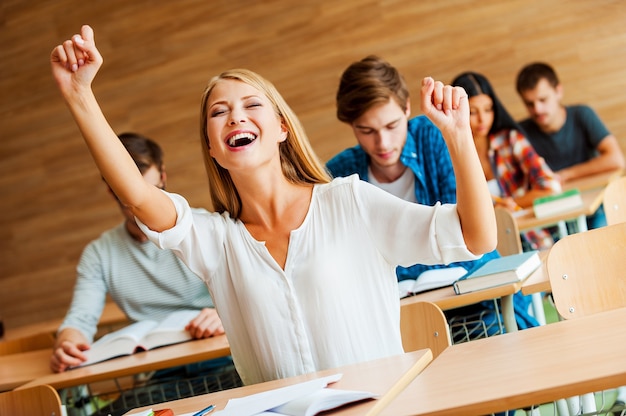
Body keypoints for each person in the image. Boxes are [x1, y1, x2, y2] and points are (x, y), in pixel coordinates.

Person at [50, 25, 496, 386]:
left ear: (281, 126)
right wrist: (79, 95)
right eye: (218, 112)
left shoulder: (350, 201)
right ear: (211, 145)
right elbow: (139, 195)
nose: (235, 116)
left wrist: (457, 135)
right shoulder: (217, 241)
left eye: (250, 104)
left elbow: (476, 237)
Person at [327, 56, 535, 333]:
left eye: (391, 126)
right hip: (400, 317)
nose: (383, 143)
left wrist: (399, 268)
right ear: (352, 125)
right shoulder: (339, 174)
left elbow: (467, 235)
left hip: (475, 300)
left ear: (407, 109)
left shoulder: (437, 135)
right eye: (366, 131)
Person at [50, 132, 227, 374]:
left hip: (222, 352)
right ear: (112, 192)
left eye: (150, 190)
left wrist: (223, 313)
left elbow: (251, 290)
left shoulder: (204, 226)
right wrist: (68, 343)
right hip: (161, 367)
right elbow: (80, 320)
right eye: (129, 196)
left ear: (163, 177)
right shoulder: (99, 254)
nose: (144, 204)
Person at [451, 71, 562, 240]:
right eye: (473, 112)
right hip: (480, 245)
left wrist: (511, 205)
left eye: (488, 110)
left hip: (529, 236)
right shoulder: (448, 155)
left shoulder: (509, 140)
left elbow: (551, 188)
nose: (483, 119)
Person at [515, 62, 625, 229]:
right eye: (529, 104)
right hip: (552, 215)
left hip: (596, 207)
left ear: (558, 91)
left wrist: (565, 175)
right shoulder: (520, 133)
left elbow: (616, 160)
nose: (537, 109)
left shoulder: (582, 114)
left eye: (543, 100)